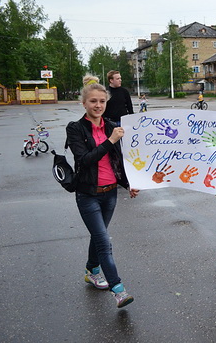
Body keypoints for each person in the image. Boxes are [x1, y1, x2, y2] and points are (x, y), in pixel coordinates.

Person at [67, 75, 139, 308]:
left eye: (102, 101)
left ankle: (92, 270)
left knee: (99, 237)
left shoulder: (111, 126)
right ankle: (118, 289)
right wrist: (110, 140)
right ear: (84, 103)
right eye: (93, 101)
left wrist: (130, 184)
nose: (98, 105)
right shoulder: (76, 129)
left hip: (110, 194)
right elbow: (85, 160)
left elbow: (122, 160)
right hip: (88, 194)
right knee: (104, 241)